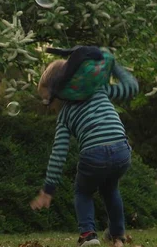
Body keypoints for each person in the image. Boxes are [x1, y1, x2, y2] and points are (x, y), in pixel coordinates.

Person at [30, 55, 139, 247]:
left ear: (59, 93)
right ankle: (118, 237)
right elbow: (131, 87)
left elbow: (58, 154)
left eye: (48, 101)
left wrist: (48, 190)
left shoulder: (65, 115)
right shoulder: (100, 91)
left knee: (82, 192)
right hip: (122, 151)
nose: (49, 107)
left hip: (94, 154)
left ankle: (88, 235)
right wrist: (113, 65)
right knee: (111, 189)